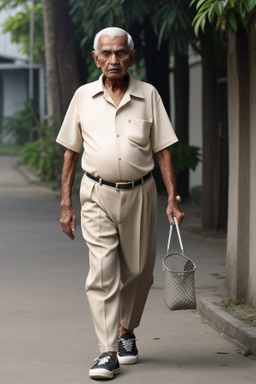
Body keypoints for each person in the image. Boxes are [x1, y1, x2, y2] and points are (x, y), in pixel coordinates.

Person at [56, 27, 184, 380]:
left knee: (140, 273)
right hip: (95, 193)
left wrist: (172, 197)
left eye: (120, 53)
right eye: (107, 54)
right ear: (96, 58)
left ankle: (127, 329)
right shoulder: (83, 97)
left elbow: (163, 150)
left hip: (141, 193)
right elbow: (70, 153)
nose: (114, 60)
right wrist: (67, 204)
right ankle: (107, 351)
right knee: (102, 273)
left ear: (132, 56)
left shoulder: (149, 95)